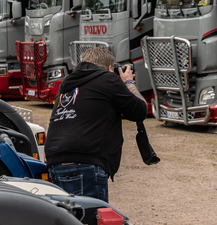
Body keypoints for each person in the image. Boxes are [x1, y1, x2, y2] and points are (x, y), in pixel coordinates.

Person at [45, 47, 148, 202]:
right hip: (85, 163)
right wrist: (128, 82)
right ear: (109, 68)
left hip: (55, 161)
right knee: (91, 222)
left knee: (69, 221)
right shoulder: (108, 79)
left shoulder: (67, 82)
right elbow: (140, 110)